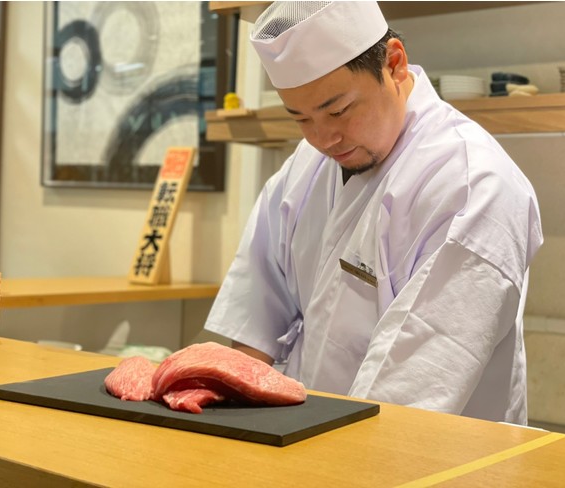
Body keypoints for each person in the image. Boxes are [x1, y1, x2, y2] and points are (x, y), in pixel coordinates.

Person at [204, 1, 542, 424]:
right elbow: (256, 313)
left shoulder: (473, 185)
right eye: (301, 119)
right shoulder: (307, 165)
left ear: (395, 64)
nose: (324, 138)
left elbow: (413, 385)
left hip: (427, 454)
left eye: (338, 110)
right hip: (305, 437)